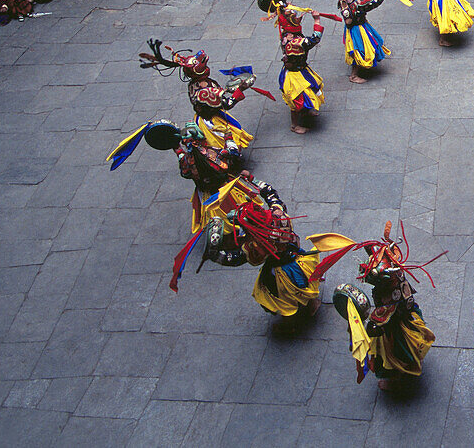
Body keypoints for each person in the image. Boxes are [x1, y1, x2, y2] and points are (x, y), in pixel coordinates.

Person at [326, 222, 442, 390]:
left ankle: (398, 376)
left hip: (394, 329)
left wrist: (363, 326)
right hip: (403, 316)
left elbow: (376, 325)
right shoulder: (396, 277)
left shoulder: (391, 296)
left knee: (391, 356)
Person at [198, 181, 321, 334]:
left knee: (284, 300)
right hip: (299, 259)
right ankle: (311, 304)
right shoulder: (278, 214)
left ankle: (290, 326)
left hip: (282, 273)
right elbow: (271, 194)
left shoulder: (258, 245)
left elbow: (237, 258)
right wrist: (252, 179)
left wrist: (215, 255)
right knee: (304, 284)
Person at [139, 42, 256, 155]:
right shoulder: (205, 92)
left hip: (200, 117)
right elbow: (227, 104)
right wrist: (239, 91)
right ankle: (231, 158)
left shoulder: (194, 84)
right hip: (212, 121)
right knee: (228, 142)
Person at [259, 0, 326, 134]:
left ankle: (307, 111)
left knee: (313, 89)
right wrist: (317, 20)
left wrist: (283, 6)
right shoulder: (294, 41)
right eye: (294, 16)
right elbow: (314, 39)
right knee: (297, 101)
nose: (298, 16)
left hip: (302, 69)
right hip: (295, 75)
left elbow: (284, 13)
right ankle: (294, 125)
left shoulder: (289, 32)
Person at [335, 0, 392, 83]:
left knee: (358, 48)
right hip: (358, 28)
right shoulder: (359, 1)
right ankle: (354, 76)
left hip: (353, 27)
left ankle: (357, 70)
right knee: (359, 49)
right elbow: (376, 1)